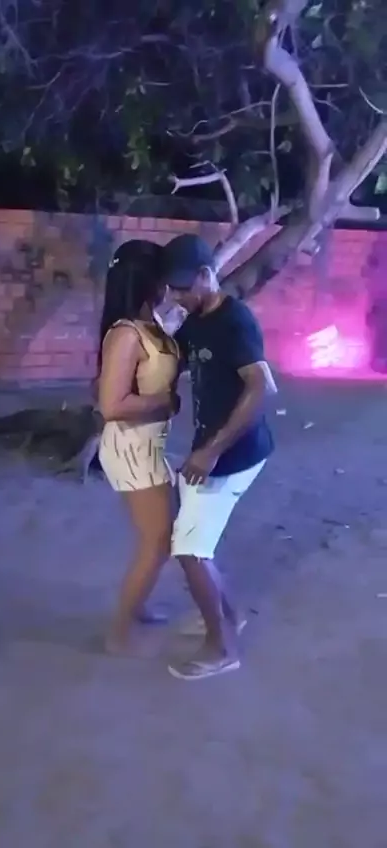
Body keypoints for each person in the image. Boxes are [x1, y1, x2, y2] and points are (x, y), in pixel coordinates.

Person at [160, 233, 277, 680]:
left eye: (183, 287)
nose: (177, 296)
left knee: (189, 550)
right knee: (191, 540)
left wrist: (210, 452)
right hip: (211, 447)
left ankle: (222, 648)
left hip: (234, 453)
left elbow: (261, 388)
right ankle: (229, 616)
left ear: (207, 275)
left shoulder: (235, 321)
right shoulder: (196, 320)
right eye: (172, 288)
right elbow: (177, 361)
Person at [97, 240, 180, 653]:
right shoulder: (126, 334)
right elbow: (111, 405)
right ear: (151, 282)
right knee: (158, 540)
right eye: (165, 278)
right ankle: (119, 631)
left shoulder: (151, 323)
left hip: (149, 444)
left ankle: (138, 606)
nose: (170, 285)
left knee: (164, 534)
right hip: (132, 449)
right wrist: (165, 402)